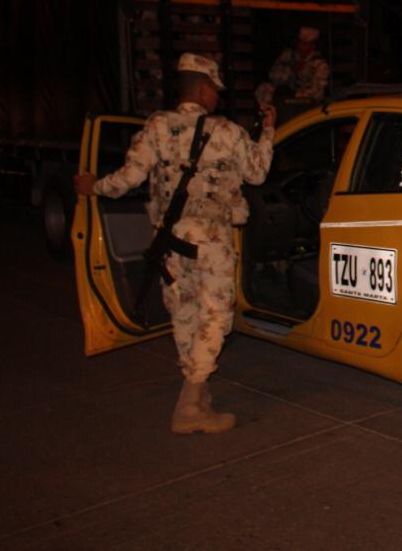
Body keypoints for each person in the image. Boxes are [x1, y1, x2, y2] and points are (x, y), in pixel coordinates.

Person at [75, 53, 276, 434]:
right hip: (211, 240)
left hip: (168, 240)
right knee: (215, 317)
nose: (217, 97)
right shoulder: (228, 132)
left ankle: (197, 395)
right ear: (202, 88)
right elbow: (258, 172)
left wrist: (93, 186)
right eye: (215, 90)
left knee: (184, 315)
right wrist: (268, 131)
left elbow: (127, 180)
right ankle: (190, 403)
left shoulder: (157, 126)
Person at [255, 26, 330, 108]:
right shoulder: (288, 56)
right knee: (264, 89)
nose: (301, 47)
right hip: (283, 96)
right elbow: (273, 75)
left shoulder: (320, 64)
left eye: (305, 44)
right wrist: (291, 70)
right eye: (300, 43)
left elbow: (318, 92)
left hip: (305, 102)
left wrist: (298, 95)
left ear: (313, 46)